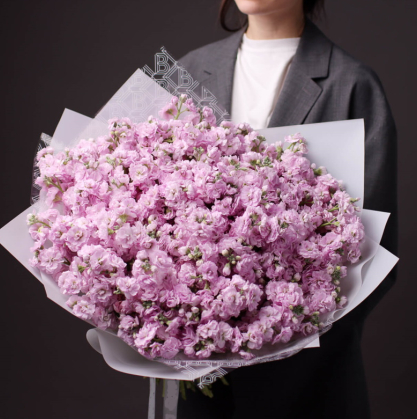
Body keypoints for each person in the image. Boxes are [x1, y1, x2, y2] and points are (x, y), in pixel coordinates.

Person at [177, 1, 398, 418]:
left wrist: (280, 333)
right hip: (198, 380)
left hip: (308, 384)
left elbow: (374, 255)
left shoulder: (352, 84)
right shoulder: (188, 72)